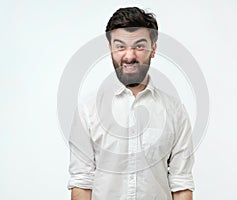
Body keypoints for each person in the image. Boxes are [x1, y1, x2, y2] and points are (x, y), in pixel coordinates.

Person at [68, 7, 195, 200]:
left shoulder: (175, 111)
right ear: (110, 48)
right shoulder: (89, 110)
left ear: (153, 49)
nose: (129, 56)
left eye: (139, 46)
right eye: (120, 46)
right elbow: (82, 182)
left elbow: (181, 183)